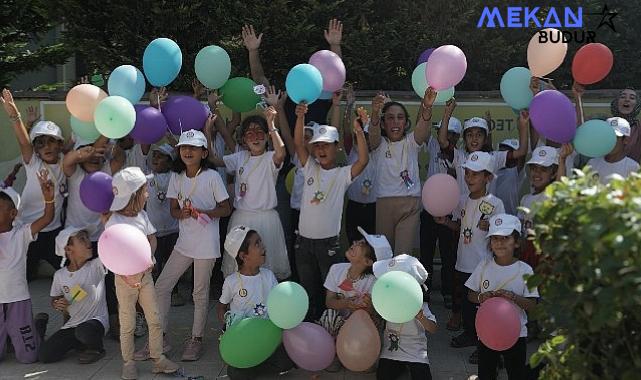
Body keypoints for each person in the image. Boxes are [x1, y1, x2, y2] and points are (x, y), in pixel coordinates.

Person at [151, 129, 231, 362]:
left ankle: (196, 339)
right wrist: (183, 213)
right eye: (184, 147)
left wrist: (205, 212)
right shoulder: (176, 177)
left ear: (204, 152)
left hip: (206, 245)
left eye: (194, 148)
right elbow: (173, 211)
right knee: (162, 287)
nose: (187, 151)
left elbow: (226, 208)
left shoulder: (213, 177)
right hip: (184, 243)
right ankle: (160, 337)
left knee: (199, 293)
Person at [293, 102, 368, 321]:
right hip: (304, 243)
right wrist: (300, 117)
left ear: (337, 148)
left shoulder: (342, 174)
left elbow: (363, 160)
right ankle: (307, 326)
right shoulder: (309, 166)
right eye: (317, 145)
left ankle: (331, 325)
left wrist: (358, 131)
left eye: (327, 145)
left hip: (329, 245)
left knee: (331, 289)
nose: (321, 150)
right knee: (307, 287)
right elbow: (298, 143)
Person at [104, 167, 179, 379]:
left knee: (154, 318)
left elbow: (151, 238)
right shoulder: (114, 220)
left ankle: (158, 358)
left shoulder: (142, 215)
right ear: (134, 194)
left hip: (145, 277)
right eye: (145, 190)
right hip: (124, 280)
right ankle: (128, 362)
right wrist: (124, 273)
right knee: (127, 323)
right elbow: (110, 251)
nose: (148, 194)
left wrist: (150, 257)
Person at [435, 151, 505, 363]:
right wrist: (446, 222)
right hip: (463, 263)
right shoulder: (462, 200)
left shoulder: (495, 203)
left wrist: (492, 226)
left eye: (475, 174)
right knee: (466, 303)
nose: (469, 178)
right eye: (467, 173)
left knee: (482, 306)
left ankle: (486, 344)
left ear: (488, 177)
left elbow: (503, 235)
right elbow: (459, 226)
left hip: (483, 265)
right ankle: (470, 334)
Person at [207, 107, 290, 280]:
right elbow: (213, 159)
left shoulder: (271, 157)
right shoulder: (239, 157)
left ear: (267, 137)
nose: (255, 137)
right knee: (239, 267)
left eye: (260, 132)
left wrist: (271, 124)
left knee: (267, 266)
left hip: (267, 219)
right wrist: (207, 132)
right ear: (244, 139)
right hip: (241, 219)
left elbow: (281, 152)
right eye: (250, 133)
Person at [63, 134, 125, 339]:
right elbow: (68, 161)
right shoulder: (75, 174)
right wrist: (85, 152)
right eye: (88, 153)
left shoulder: (106, 170)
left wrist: (111, 146)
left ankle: (114, 322)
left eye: (98, 155)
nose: (93, 157)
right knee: (76, 283)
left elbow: (120, 160)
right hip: (75, 238)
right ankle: (71, 320)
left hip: (101, 237)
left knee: (108, 283)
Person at [2, 89, 67, 281]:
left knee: (64, 268)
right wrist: (15, 116)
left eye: (50, 142)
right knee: (24, 275)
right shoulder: (34, 164)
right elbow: (23, 142)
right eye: (40, 143)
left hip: (53, 229)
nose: (46, 147)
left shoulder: (65, 162)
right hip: (28, 229)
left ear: (59, 145)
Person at [466, 214, 539, 379]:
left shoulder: (525, 270)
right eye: (495, 238)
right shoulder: (484, 266)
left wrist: (513, 297)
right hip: (487, 333)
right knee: (486, 373)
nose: (499, 243)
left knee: (516, 373)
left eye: (505, 238)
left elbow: (533, 304)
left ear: (517, 242)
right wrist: (481, 297)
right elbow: (470, 294)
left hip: (516, 334)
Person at [216, 226, 295, 379]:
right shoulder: (231, 282)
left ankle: (259, 364)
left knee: (289, 360)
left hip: (267, 336)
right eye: (257, 244)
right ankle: (255, 365)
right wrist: (227, 323)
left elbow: (278, 302)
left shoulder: (268, 276)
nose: (263, 246)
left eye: (261, 242)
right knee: (236, 373)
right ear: (244, 256)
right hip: (245, 340)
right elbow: (221, 307)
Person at [368, 88, 436, 254]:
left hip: (410, 205)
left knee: (403, 255)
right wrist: (375, 113)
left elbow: (423, 127)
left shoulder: (411, 142)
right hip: (384, 204)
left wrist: (427, 106)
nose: (395, 122)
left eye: (400, 118)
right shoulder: (378, 144)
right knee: (384, 255)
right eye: (390, 118)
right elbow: (373, 132)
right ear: (384, 124)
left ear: (406, 123)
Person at [0, 175, 54, 364]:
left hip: (17, 300)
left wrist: (49, 199)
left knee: (29, 357)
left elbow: (47, 218)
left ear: (13, 214)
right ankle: (9, 335)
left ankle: (37, 327)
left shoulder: (21, 234)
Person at [39, 227, 108, 364]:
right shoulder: (60, 275)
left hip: (96, 321)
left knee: (84, 331)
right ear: (68, 249)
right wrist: (57, 303)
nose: (88, 241)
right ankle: (40, 326)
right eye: (82, 239)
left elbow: (112, 252)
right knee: (45, 355)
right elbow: (55, 298)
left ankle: (96, 349)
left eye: (87, 237)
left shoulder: (96, 266)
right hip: (72, 325)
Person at [438, 100, 529, 199]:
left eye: (479, 135)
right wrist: (447, 113)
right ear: (464, 139)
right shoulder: (458, 156)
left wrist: (523, 125)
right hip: (462, 212)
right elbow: (442, 141)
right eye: (470, 135)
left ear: (485, 139)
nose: (474, 138)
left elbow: (521, 152)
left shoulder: (494, 157)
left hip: (488, 212)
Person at [420, 101, 460, 307]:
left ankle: (447, 292)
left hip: (449, 213)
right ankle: (424, 291)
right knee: (425, 253)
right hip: (428, 209)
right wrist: (425, 105)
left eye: (452, 134)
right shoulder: (434, 144)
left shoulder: (459, 156)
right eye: (443, 132)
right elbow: (422, 127)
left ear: (457, 137)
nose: (445, 136)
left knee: (448, 255)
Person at [374, 254, 437, 380]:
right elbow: (379, 321)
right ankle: (401, 366)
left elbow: (433, 328)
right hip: (391, 350)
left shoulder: (420, 304)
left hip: (415, 351)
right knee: (382, 376)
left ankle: (406, 366)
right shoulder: (385, 300)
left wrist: (421, 318)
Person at [320, 226, 392, 336]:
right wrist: (346, 303)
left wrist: (369, 307)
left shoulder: (375, 283)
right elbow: (329, 302)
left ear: (368, 261)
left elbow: (377, 316)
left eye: (361, 245)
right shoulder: (336, 269)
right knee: (328, 314)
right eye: (359, 241)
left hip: (361, 328)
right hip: (340, 324)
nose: (355, 242)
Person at [146, 144, 183, 305]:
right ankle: (154, 293)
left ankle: (173, 293)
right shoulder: (146, 178)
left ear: (169, 162)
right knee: (155, 262)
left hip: (173, 229)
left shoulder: (176, 177)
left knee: (172, 264)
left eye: (160, 156)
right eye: (154, 156)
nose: (155, 159)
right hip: (154, 232)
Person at [344, 93, 379, 244]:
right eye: (361, 134)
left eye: (367, 135)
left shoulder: (378, 152)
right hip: (354, 207)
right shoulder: (351, 149)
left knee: (371, 247)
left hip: (374, 208)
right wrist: (348, 105)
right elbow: (345, 129)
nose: (364, 138)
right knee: (354, 244)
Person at [518, 146, 560, 269]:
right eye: (534, 168)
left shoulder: (552, 195)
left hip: (545, 254)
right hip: (527, 254)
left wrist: (562, 161)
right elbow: (521, 228)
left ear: (553, 174)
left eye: (543, 169)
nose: (537, 173)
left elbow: (560, 185)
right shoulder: (525, 199)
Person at [584, 117, 640, 184]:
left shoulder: (633, 167)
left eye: (615, 137)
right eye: (607, 136)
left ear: (626, 140)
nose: (609, 141)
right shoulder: (592, 164)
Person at [494, 139, 526, 216]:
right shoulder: (492, 168)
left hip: (510, 218)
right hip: (491, 218)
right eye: (502, 150)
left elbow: (522, 154)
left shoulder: (516, 172)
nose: (505, 154)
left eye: (509, 152)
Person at [609, 88, 641, 162]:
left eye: (632, 98)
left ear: (637, 104)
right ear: (616, 102)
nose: (627, 100)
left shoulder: (638, 128)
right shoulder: (606, 124)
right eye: (623, 97)